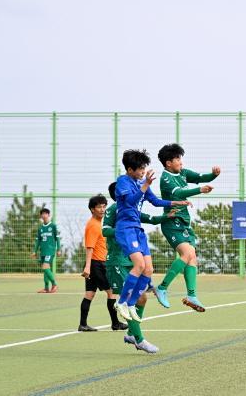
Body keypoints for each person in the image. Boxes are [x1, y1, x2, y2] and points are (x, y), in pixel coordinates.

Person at [113, 149, 190, 322]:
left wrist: (176, 202)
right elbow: (131, 201)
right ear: (130, 169)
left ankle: (131, 303)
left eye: (143, 168)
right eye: (140, 169)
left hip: (137, 230)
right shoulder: (122, 182)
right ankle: (121, 302)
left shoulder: (140, 182)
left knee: (148, 269)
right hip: (126, 229)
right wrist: (145, 184)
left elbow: (155, 201)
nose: (142, 172)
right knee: (138, 265)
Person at [103, 182, 176, 353]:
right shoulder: (113, 210)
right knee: (129, 300)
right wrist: (124, 230)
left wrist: (167, 216)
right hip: (117, 262)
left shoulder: (132, 211)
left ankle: (130, 333)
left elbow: (150, 219)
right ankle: (139, 339)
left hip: (131, 261)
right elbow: (105, 231)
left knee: (142, 298)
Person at [153, 143, 220, 311]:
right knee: (188, 253)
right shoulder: (165, 178)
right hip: (171, 222)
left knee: (193, 257)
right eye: (177, 159)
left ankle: (191, 295)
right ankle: (161, 288)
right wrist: (200, 190)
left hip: (183, 223)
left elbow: (201, 177)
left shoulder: (182, 173)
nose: (181, 162)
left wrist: (213, 175)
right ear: (168, 163)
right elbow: (178, 194)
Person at [79, 194, 127, 332]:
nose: (102, 209)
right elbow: (90, 247)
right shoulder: (93, 225)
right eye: (99, 207)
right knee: (111, 292)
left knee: (89, 294)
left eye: (104, 206)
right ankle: (115, 323)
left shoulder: (100, 223)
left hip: (96, 263)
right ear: (92, 209)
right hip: (97, 264)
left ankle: (83, 324)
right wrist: (87, 267)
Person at [30, 208, 61, 293]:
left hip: (50, 251)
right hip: (43, 251)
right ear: (41, 216)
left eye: (45, 213)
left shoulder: (53, 226)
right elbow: (38, 241)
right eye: (42, 214)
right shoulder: (40, 228)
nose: (44, 215)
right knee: (45, 269)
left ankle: (54, 284)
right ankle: (46, 288)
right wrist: (34, 251)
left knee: (45, 266)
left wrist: (59, 249)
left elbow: (57, 239)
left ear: (48, 215)